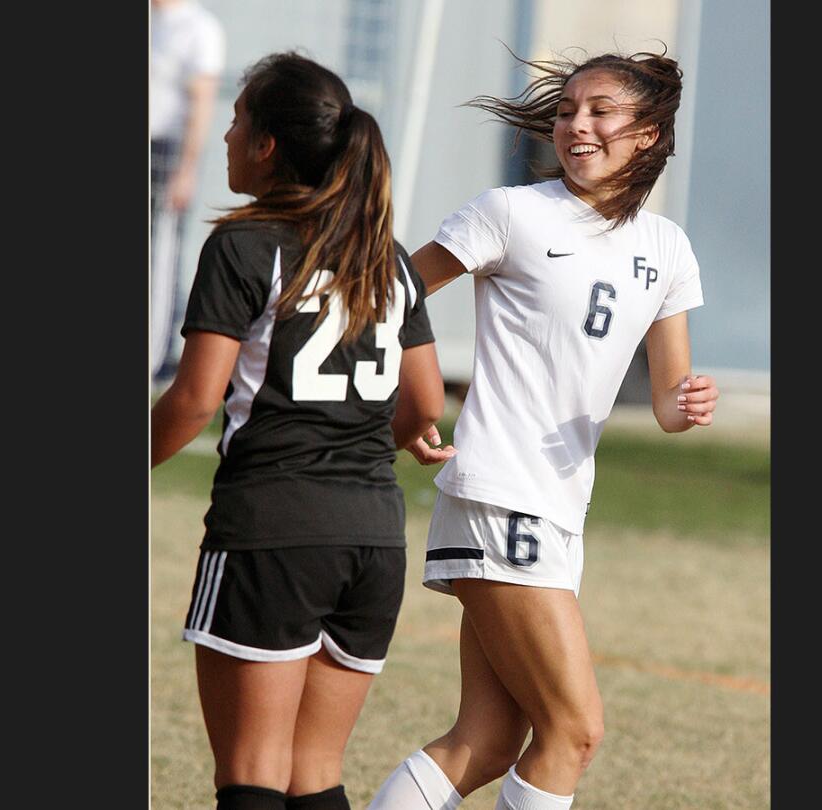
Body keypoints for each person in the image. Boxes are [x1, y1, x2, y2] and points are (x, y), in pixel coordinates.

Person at [369, 49, 721, 810]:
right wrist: (415, 399)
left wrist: (687, 404)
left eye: (600, 111)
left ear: (651, 134)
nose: (575, 125)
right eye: (566, 110)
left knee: (486, 742)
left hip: (561, 510)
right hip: (501, 493)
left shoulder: (667, 250)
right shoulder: (512, 212)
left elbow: (664, 403)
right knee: (575, 731)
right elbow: (388, 296)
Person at [150, 52, 447, 810]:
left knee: (251, 774)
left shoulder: (246, 246)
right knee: (312, 774)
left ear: (268, 146)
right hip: (374, 537)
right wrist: (356, 437)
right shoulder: (387, 256)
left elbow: (192, 401)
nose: (224, 133)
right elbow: (422, 406)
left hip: (271, 530)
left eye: (239, 119)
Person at [151, 0, 225, 385]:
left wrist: (186, 168)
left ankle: (157, 355)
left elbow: (202, 101)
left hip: (164, 153)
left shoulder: (198, 27)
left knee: (161, 256)